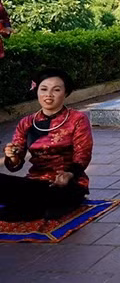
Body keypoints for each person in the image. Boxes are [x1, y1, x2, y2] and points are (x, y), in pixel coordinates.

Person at [0, 68, 93, 221]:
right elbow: (15, 165)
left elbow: (83, 154)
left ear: (66, 93)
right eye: (43, 89)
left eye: (56, 90)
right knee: (28, 193)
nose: (48, 95)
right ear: (36, 91)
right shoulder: (26, 122)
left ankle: (31, 206)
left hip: (68, 183)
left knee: (49, 198)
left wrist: (69, 175)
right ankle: (32, 205)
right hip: (35, 183)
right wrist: (12, 156)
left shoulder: (78, 119)